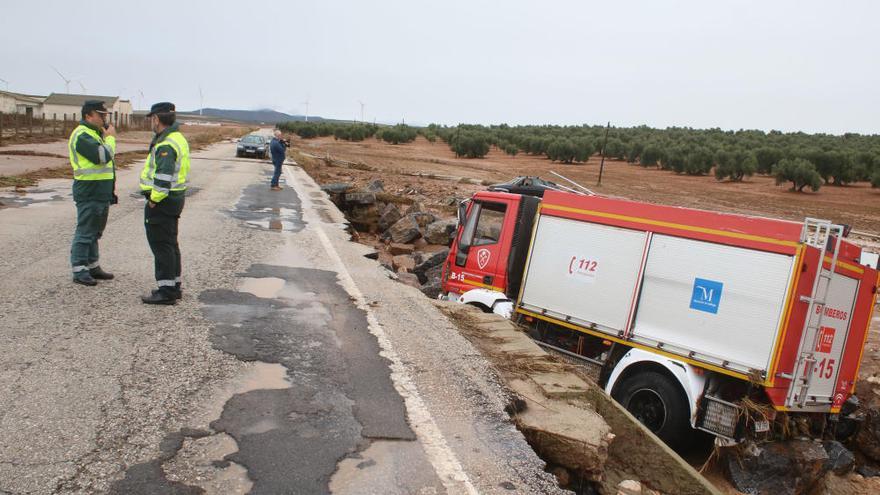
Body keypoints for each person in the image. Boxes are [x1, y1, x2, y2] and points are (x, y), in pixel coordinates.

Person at [139, 102, 190, 305]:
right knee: (170, 244)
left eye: (152, 119)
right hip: (175, 198)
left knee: (161, 246)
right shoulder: (177, 138)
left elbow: (162, 177)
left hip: (163, 201)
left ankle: (166, 291)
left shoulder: (166, 144)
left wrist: (153, 200)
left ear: (156, 119)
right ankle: (174, 285)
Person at [68, 100, 118, 286]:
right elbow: (102, 157)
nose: (104, 118)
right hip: (89, 191)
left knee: (95, 231)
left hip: (99, 191)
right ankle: (79, 269)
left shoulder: (94, 134)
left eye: (105, 115)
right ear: (88, 116)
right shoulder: (82, 135)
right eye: (101, 115)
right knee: (86, 230)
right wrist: (111, 138)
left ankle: (92, 265)